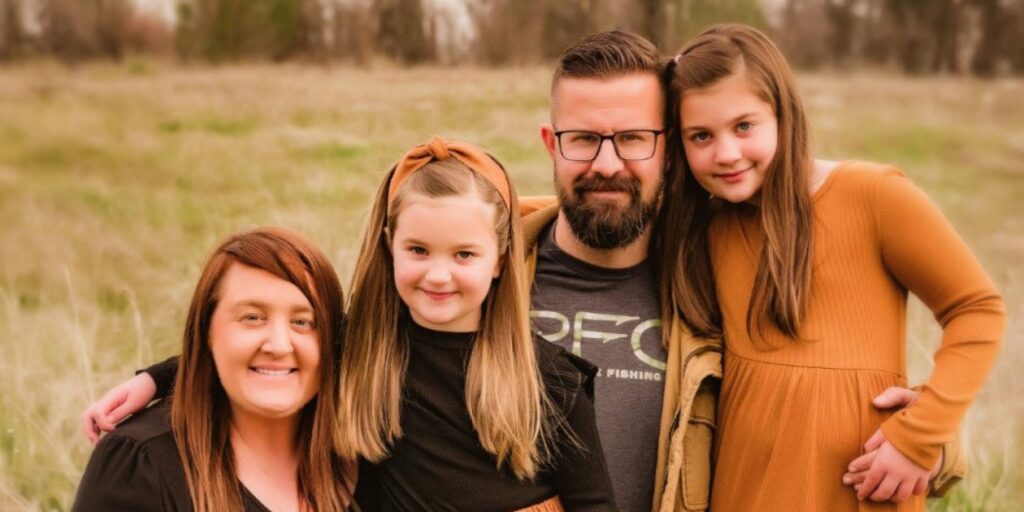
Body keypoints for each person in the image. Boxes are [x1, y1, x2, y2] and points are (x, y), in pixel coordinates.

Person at [80, 31, 955, 512]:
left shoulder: (715, 281)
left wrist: (926, 438)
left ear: (670, 151)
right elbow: (325, 336)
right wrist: (167, 378)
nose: (606, 161)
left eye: (635, 138)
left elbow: (807, 396)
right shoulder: (483, 269)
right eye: (583, 138)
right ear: (552, 144)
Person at [658, 24, 1005, 511]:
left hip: (858, 489)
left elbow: (977, 308)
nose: (727, 153)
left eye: (744, 126)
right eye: (701, 136)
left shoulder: (874, 197)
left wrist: (923, 431)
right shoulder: (702, 229)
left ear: (783, 114)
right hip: (745, 492)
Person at [337, 136, 615, 510]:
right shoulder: (363, 361)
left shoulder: (547, 381)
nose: (438, 275)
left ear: (499, 260)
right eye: (418, 250)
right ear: (389, 246)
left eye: (464, 254)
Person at [72, 227, 353, 511]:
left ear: (334, 340)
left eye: (302, 321)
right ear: (206, 331)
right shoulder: (144, 466)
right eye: (252, 317)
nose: (279, 345)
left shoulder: (363, 454)